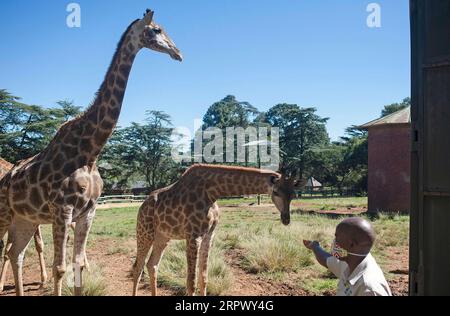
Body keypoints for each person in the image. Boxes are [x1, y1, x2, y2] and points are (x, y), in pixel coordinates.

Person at [303, 217, 392, 296]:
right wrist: (315, 247)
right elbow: (325, 259)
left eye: (337, 237)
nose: (334, 242)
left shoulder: (369, 288)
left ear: (351, 245)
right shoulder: (351, 261)